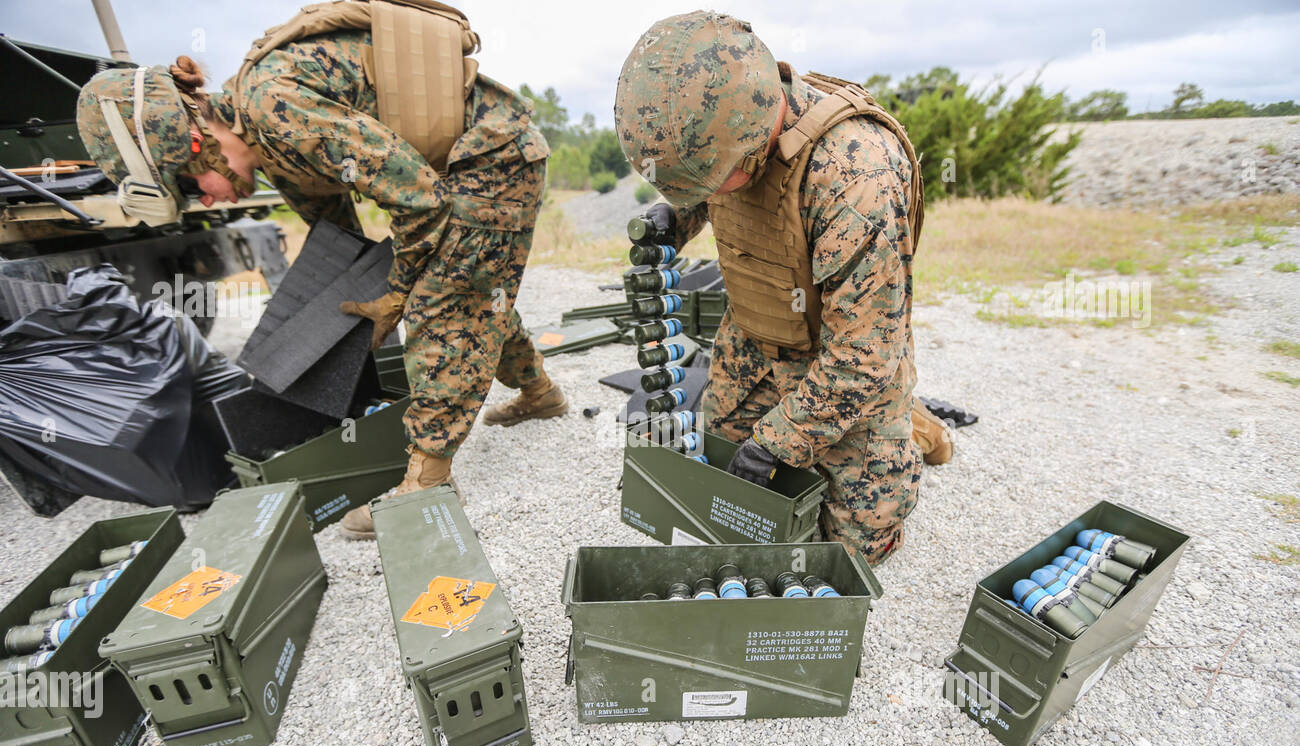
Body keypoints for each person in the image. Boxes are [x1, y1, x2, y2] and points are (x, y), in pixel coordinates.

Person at [74, 1, 568, 540]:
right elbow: (341, 241)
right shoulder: (268, 145)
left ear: (197, 145)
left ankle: (428, 483)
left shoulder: (275, 108)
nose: (209, 203)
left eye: (192, 189)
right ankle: (540, 394)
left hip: (493, 156)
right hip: (457, 165)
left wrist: (400, 292)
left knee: (443, 301)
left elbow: (421, 200)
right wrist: (312, 332)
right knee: (473, 285)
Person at [614, 10, 951, 565]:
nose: (709, 193)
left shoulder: (856, 178)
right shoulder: (727, 133)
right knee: (721, 487)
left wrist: (777, 441)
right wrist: (676, 218)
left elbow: (864, 355)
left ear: (755, 140)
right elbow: (711, 184)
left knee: (847, 555)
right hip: (755, 337)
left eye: (712, 181)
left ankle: (910, 427)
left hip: (844, 362)